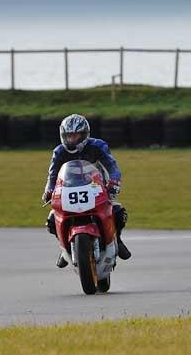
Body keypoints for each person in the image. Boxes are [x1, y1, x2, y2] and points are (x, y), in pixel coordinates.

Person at [42, 114, 131, 268]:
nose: (71, 140)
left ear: (84, 134)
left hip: (96, 188)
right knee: (51, 220)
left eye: (75, 135)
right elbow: (53, 174)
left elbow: (112, 167)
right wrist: (49, 190)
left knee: (118, 212)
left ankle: (118, 240)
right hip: (69, 189)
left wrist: (114, 181)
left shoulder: (98, 146)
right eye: (68, 136)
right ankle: (65, 248)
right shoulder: (59, 152)